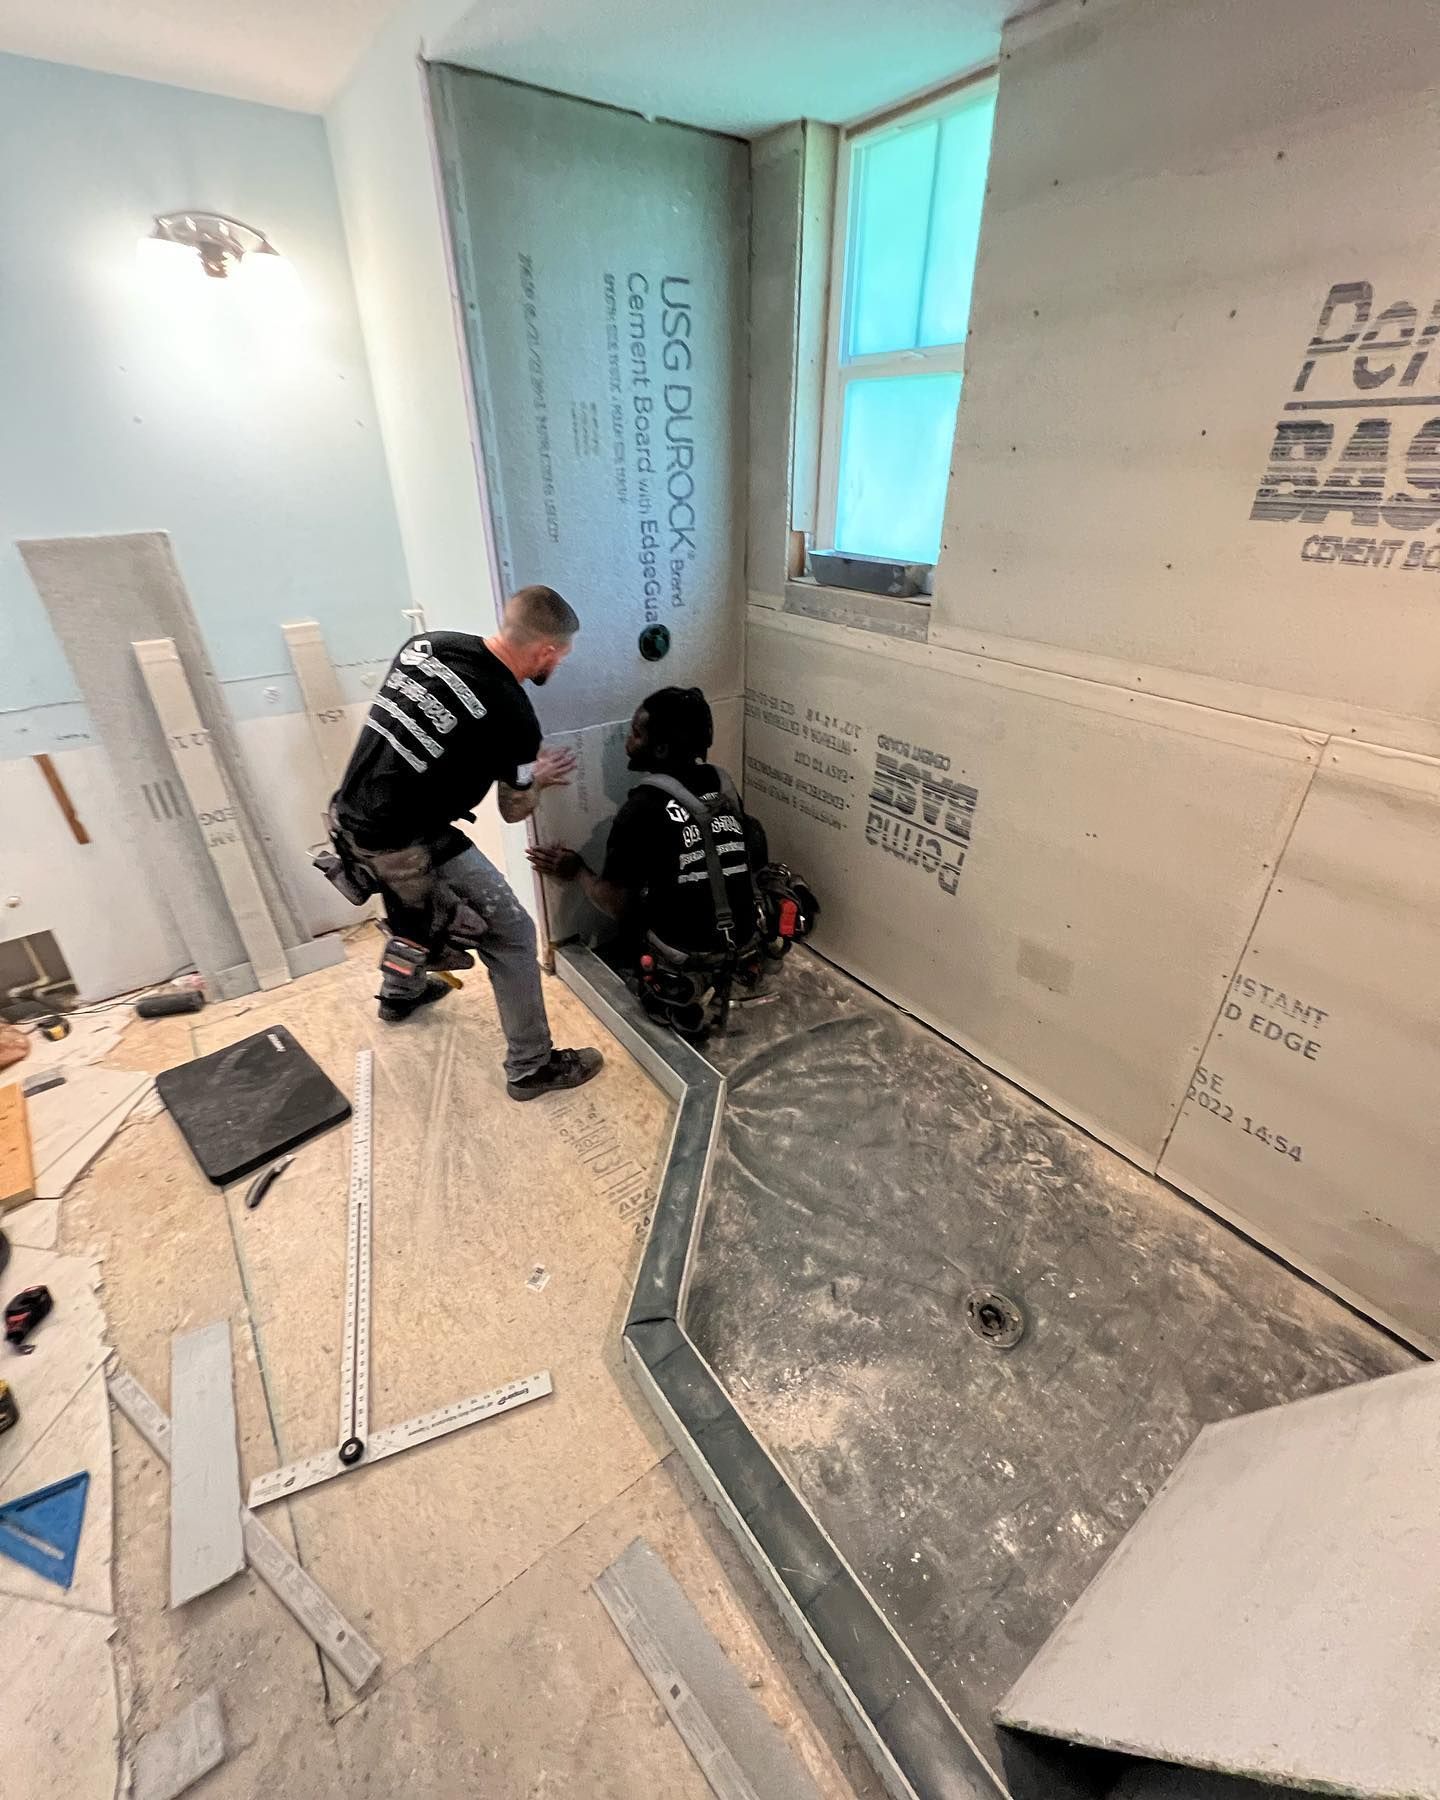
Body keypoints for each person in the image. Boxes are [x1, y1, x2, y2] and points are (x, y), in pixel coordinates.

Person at [329, 585, 602, 1101]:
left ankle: (399, 992)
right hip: (404, 841)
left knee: (413, 911)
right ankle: (531, 1067)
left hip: (350, 814)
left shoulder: (427, 646)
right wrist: (537, 777)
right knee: (514, 934)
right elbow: (511, 809)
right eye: (561, 657)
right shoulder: (515, 717)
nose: (558, 666)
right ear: (545, 651)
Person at [528, 686, 761, 1032]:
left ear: (661, 749)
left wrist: (576, 869)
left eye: (636, 733)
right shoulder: (722, 783)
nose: (628, 740)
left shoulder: (641, 810)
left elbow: (616, 903)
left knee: (633, 913)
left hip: (686, 957)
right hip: (744, 941)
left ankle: (669, 988)